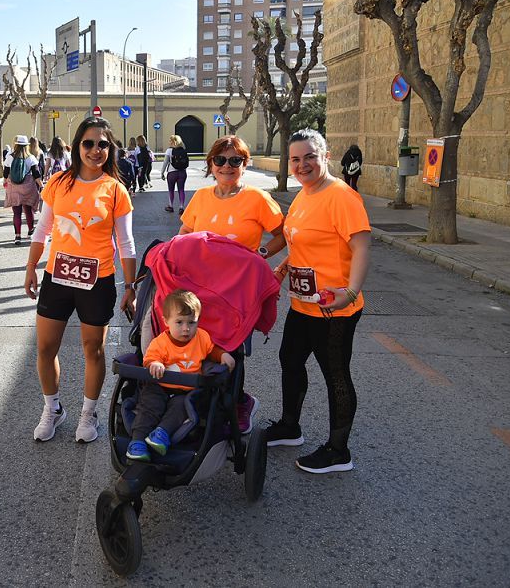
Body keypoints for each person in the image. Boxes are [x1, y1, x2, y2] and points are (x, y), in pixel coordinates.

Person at [24, 117, 136, 443]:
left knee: (94, 350)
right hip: (57, 277)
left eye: (102, 144)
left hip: (97, 280)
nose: (95, 150)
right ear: (76, 147)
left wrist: (130, 287)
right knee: (45, 348)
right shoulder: (59, 182)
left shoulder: (115, 190)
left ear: (110, 148)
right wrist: (31, 266)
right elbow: (42, 229)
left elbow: (126, 244)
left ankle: (88, 414)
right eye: (88, 143)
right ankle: (53, 409)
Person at [265, 130, 371, 475]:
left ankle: (339, 450)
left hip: (334, 308)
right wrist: (281, 267)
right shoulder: (302, 195)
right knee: (290, 360)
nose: (302, 164)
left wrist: (350, 293)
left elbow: (362, 247)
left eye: (309, 156)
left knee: (335, 375)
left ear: (325, 156)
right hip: (303, 303)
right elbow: (298, 242)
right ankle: (289, 427)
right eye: (295, 159)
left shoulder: (341, 196)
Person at [179, 135, 286, 435]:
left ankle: (238, 403)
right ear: (211, 163)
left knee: (232, 347)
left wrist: (260, 254)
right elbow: (185, 231)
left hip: (239, 290)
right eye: (221, 160)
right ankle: (204, 400)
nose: (227, 166)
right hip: (202, 288)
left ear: (244, 164)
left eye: (235, 161)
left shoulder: (256, 198)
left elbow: (282, 233)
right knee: (201, 344)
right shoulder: (201, 197)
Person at [126, 290, 236, 461]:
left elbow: (211, 350)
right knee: (149, 407)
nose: (186, 328)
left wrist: (222, 355)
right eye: (179, 322)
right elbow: (150, 358)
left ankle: (161, 434)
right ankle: (138, 441)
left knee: (181, 409)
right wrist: (155, 363)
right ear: (166, 322)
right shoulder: (160, 342)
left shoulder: (201, 337)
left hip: (185, 391)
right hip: (159, 386)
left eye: (192, 322)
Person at [4, 135, 43, 244]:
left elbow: (6, 173)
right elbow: (36, 174)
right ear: (26, 146)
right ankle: (31, 230)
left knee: (16, 212)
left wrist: (5, 181)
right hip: (28, 186)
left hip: (14, 186)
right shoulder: (30, 157)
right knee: (28, 210)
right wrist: (41, 185)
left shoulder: (9, 157)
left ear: (15, 145)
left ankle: (17, 236)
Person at [160, 134, 190, 214]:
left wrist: (162, 173)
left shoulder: (169, 151)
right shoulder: (183, 150)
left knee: (171, 190)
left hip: (172, 173)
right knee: (181, 190)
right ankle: (181, 207)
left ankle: (171, 206)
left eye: (170, 140)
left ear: (173, 142)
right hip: (182, 172)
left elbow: (165, 162)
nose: (169, 142)